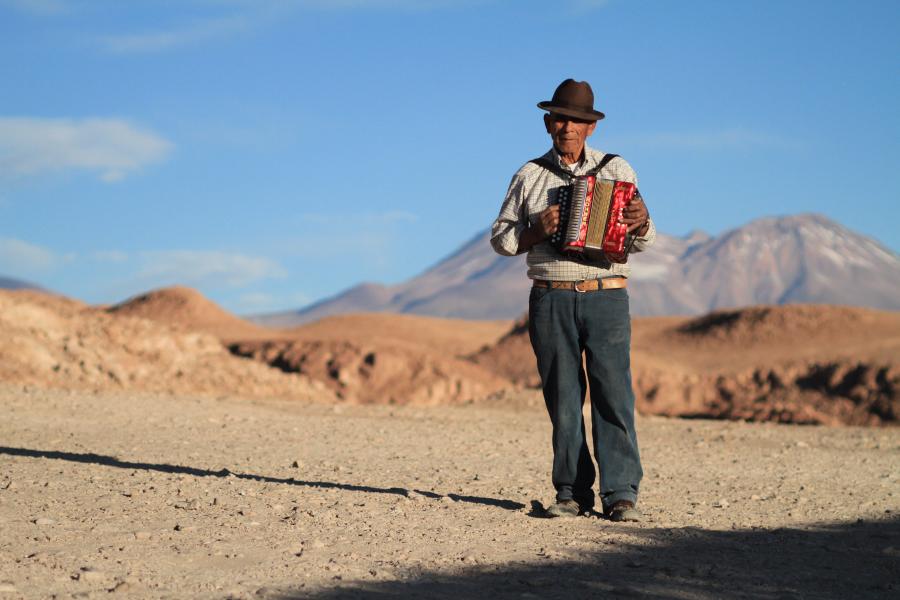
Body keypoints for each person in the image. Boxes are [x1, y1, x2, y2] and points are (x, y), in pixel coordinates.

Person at [490, 79, 655, 521]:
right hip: (551, 297)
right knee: (562, 396)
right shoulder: (529, 175)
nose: (568, 127)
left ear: (591, 128)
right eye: (561, 119)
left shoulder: (619, 171)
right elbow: (502, 240)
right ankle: (571, 492)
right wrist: (537, 230)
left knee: (613, 394)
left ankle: (621, 493)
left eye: (578, 121)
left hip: (607, 297)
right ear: (548, 123)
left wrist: (642, 222)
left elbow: (641, 240)